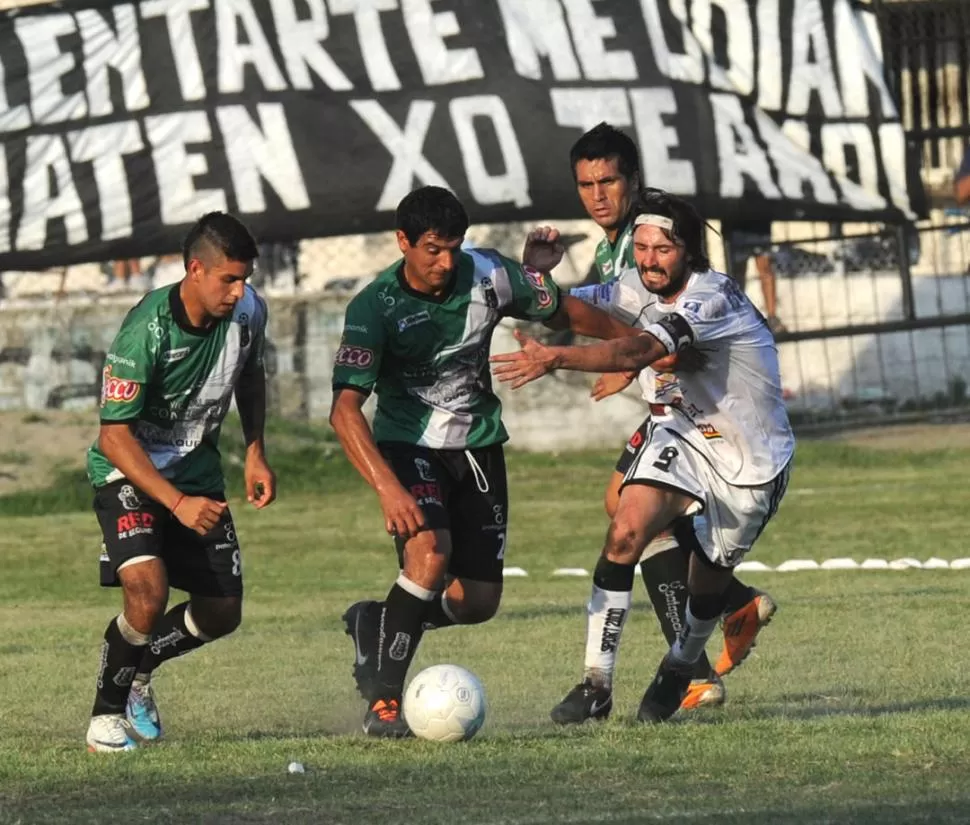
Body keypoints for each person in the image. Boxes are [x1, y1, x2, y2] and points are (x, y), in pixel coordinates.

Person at [329, 185, 640, 738]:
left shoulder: (489, 275)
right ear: (402, 242)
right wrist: (388, 489)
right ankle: (383, 704)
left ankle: (374, 624)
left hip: (476, 445)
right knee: (428, 556)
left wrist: (641, 347)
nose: (445, 262)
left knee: (477, 601)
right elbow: (345, 411)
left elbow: (565, 311)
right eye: (431, 249)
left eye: (454, 247)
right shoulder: (374, 306)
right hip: (408, 445)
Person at [493, 188, 795, 723]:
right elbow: (568, 308)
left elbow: (640, 350)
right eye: (643, 246)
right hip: (680, 433)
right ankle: (595, 683)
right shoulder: (633, 281)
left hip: (750, 461)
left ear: (690, 253)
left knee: (708, 587)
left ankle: (681, 666)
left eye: (664, 249)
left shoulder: (713, 298)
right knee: (625, 530)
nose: (650, 260)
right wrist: (534, 276)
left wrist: (557, 359)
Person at [84, 212, 276, 752]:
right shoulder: (147, 329)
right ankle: (105, 718)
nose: (240, 292)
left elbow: (251, 373)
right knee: (147, 591)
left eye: (245, 278)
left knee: (222, 611)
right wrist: (177, 503)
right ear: (196, 270)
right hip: (128, 471)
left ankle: (139, 670)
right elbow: (113, 436)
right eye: (228, 280)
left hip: (198, 474)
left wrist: (255, 452)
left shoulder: (249, 312)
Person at [721, 219, 786, 335]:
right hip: (733, 218)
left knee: (765, 267)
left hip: (757, 219)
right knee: (737, 272)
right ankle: (737, 319)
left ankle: (772, 317)